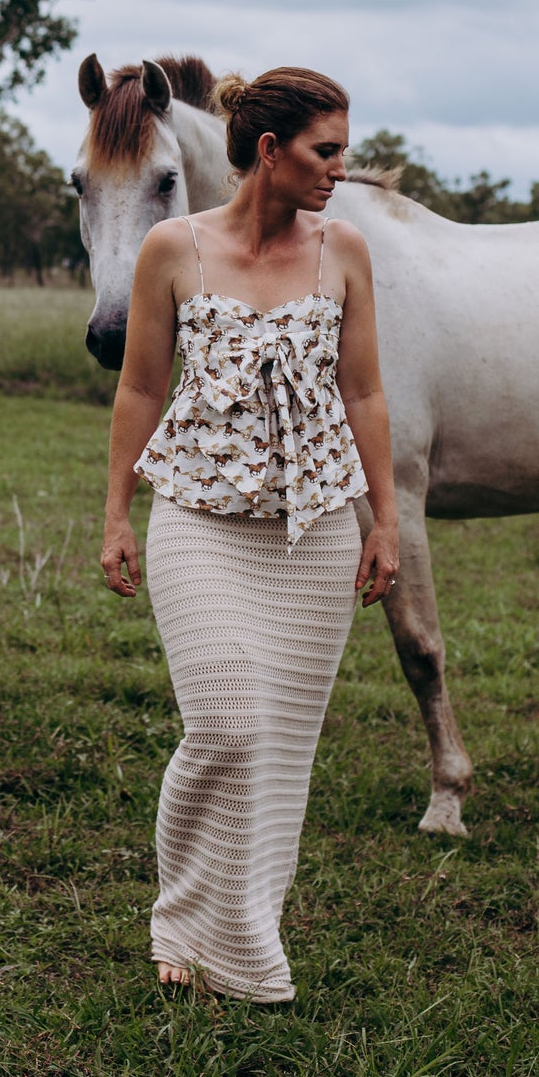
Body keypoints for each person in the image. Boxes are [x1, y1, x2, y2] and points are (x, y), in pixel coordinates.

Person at [100, 66, 399, 1001]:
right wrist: (115, 509)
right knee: (226, 724)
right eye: (324, 151)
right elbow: (141, 387)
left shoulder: (343, 249)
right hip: (196, 519)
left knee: (280, 749)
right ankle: (181, 917)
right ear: (268, 152)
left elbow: (364, 393)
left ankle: (238, 934)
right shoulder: (170, 248)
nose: (339, 170)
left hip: (314, 533)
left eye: (342, 151)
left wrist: (383, 521)